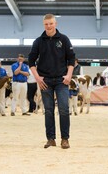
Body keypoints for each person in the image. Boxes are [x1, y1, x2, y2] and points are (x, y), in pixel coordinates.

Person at [28, 13, 75, 149]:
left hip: (62, 81)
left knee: (64, 109)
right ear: (44, 25)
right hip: (45, 81)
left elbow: (71, 59)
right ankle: (51, 139)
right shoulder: (38, 41)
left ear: (55, 24)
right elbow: (31, 61)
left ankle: (65, 139)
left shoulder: (64, 39)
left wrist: (69, 75)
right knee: (48, 110)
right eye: (46, 24)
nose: (49, 26)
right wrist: (37, 77)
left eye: (51, 23)